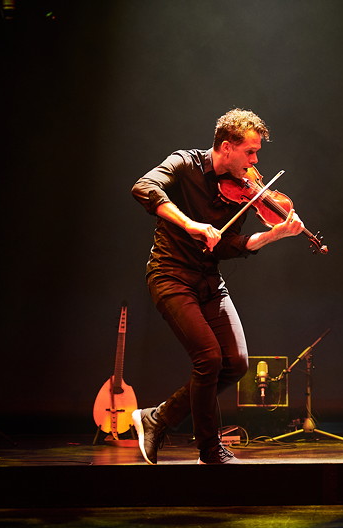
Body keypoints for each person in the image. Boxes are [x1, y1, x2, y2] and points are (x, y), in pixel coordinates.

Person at [130, 108, 304, 464]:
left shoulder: (241, 188)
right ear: (226, 147)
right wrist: (191, 224)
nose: (255, 161)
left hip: (209, 280)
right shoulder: (184, 163)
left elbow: (228, 246)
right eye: (250, 152)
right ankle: (210, 451)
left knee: (236, 363)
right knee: (208, 359)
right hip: (170, 274)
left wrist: (274, 235)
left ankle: (158, 417)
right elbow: (143, 187)